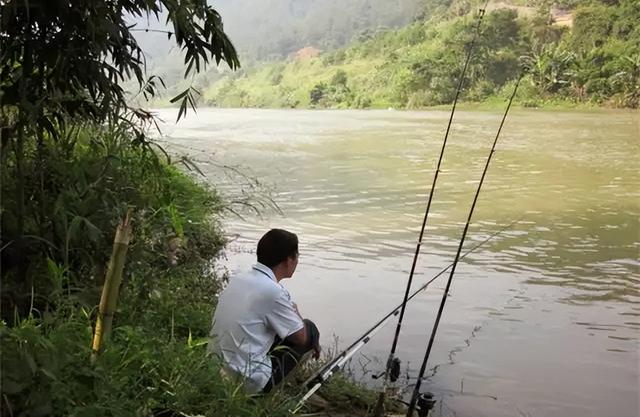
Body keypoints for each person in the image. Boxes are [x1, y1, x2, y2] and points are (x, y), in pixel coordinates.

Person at [209, 228, 320, 393]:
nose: (297, 261)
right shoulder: (274, 292)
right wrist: (295, 312)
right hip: (245, 380)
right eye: (297, 256)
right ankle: (269, 392)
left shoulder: (239, 279)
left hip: (214, 370)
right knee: (308, 330)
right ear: (289, 259)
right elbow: (300, 338)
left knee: (278, 328)